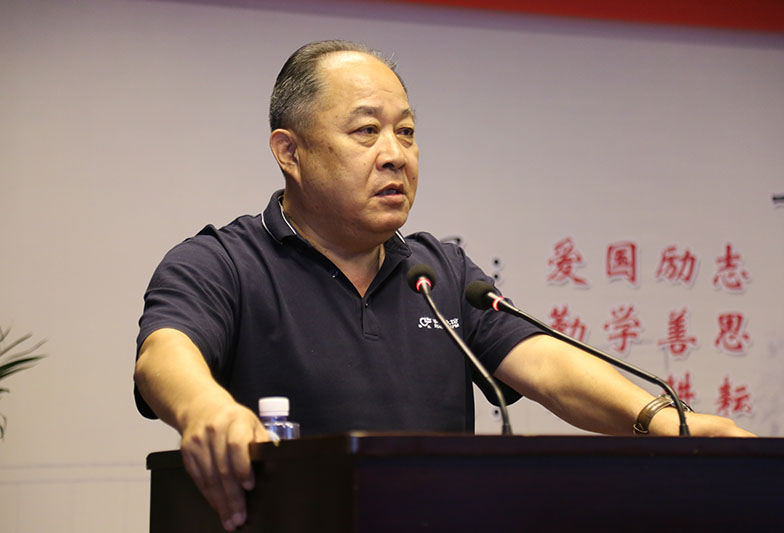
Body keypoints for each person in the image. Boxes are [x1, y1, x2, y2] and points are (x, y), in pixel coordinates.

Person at [133, 40, 754, 532]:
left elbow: (545, 365)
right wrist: (206, 409)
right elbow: (164, 353)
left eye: (406, 132)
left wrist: (662, 421)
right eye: (366, 131)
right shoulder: (223, 261)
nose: (395, 155)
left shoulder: (438, 272)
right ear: (289, 152)